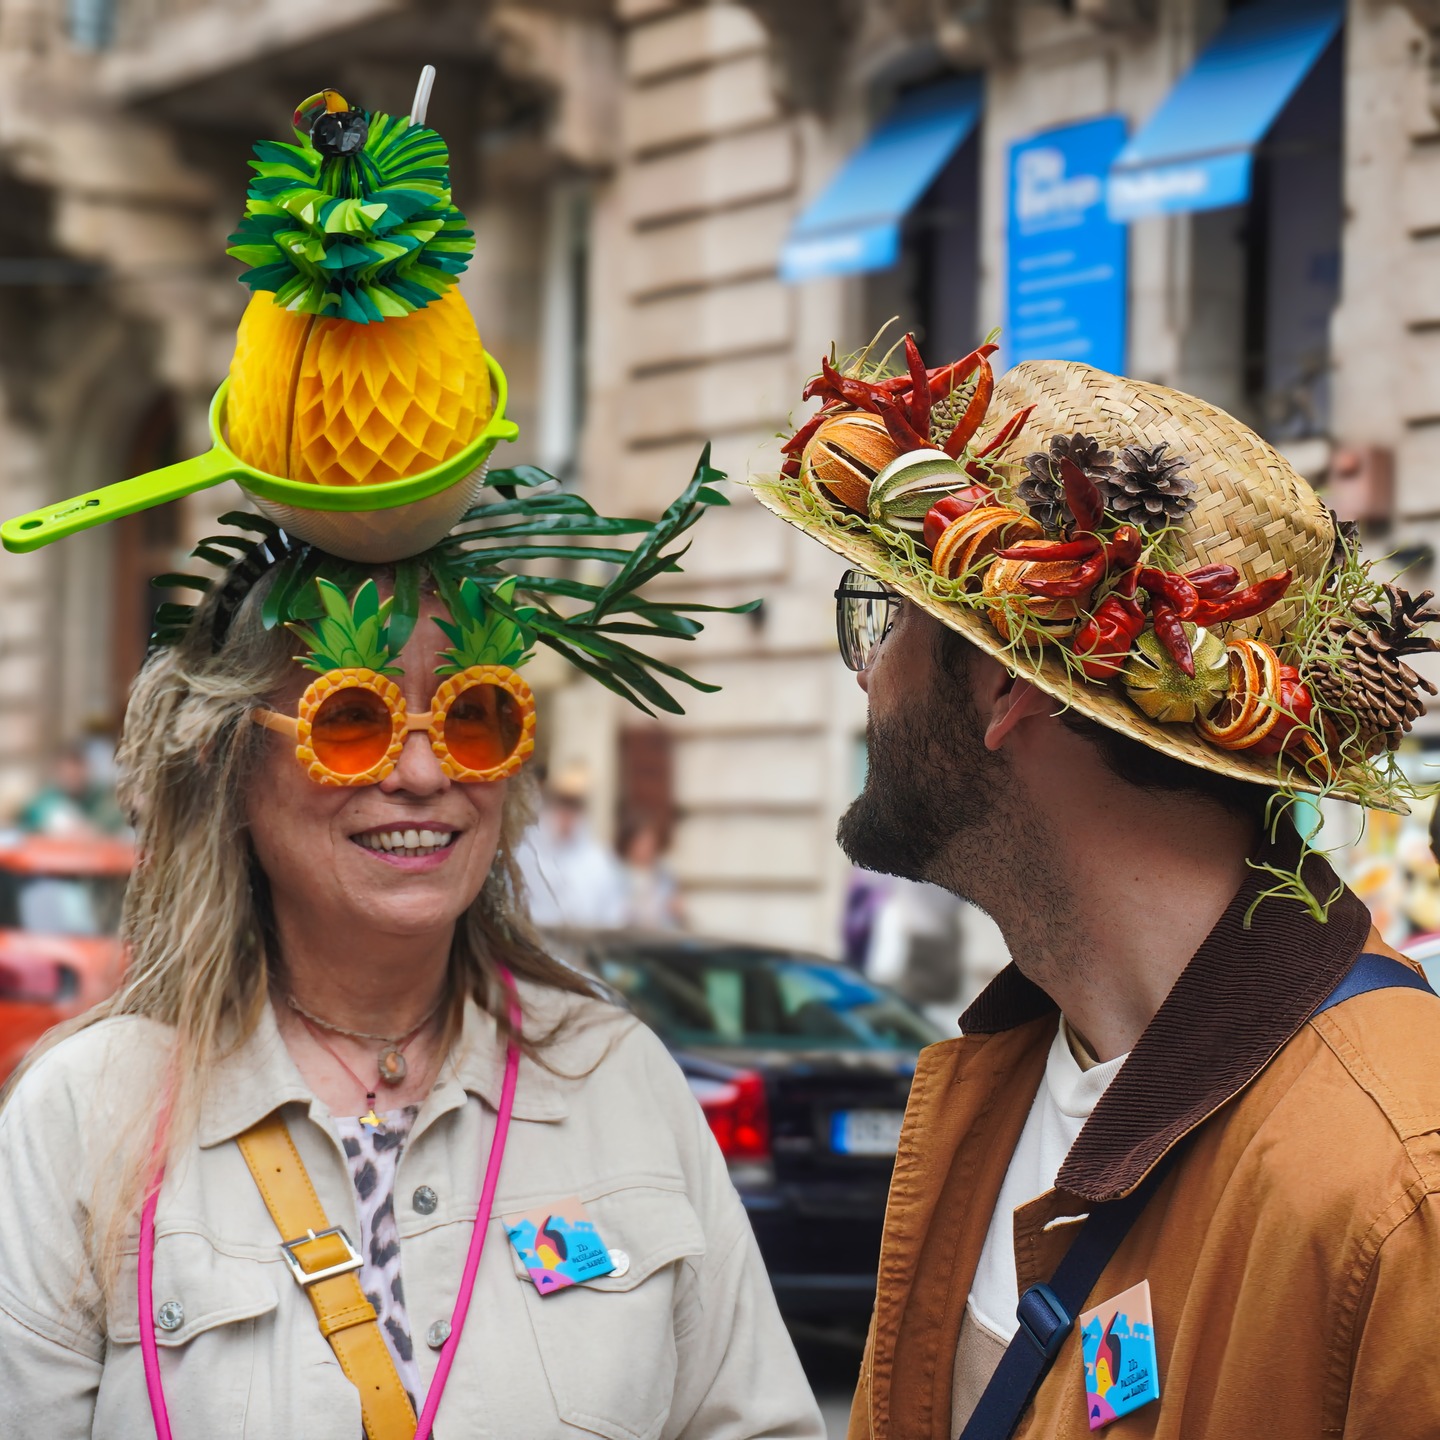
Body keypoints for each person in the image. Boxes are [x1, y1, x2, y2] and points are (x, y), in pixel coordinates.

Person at [0, 83, 822, 1440]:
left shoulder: (618, 1084)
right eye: (350, 719)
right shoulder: (87, 1122)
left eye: (480, 714)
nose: (427, 774)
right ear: (228, 766)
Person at [756, 340, 1440, 1437]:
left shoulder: (1397, 1180)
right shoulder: (995, 1084)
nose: (866, 674)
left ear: (996, 687)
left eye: (883, 617)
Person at [515, 766, 628, 929]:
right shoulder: (526, 851)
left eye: (573, 807)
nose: (566, 814)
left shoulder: (598, 861)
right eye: (562, 805)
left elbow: (612, 914)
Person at [617, 812, 685, 930]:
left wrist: (677, 912)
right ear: (629, 844)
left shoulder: (665, 876)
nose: (647, 847)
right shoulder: (616, 875)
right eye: (642, 841)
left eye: (650, 841)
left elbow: (673, 916)